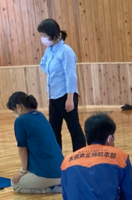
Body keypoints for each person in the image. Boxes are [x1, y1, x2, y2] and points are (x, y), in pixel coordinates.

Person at [38, 18, 86, 152]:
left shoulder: (66, 51)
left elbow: (71, 76)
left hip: (66, 95)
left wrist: (70, 99)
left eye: (44, 35)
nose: (42, 38)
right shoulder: (49, 50)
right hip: (54, 96)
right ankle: (56, 156)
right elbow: (44, 65)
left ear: (52, 34)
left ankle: (80, 155)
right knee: (53, 128)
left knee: (74, 128)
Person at [6, 91, 64, 194]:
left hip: (47, 174)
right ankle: (53, 184)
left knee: (15, 184)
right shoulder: (40, 115)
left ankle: (49, 188)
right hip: (62, 171)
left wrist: (22, 170)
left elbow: (22, 148)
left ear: (19, 107)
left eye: (14, 110)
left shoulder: (20, 121)